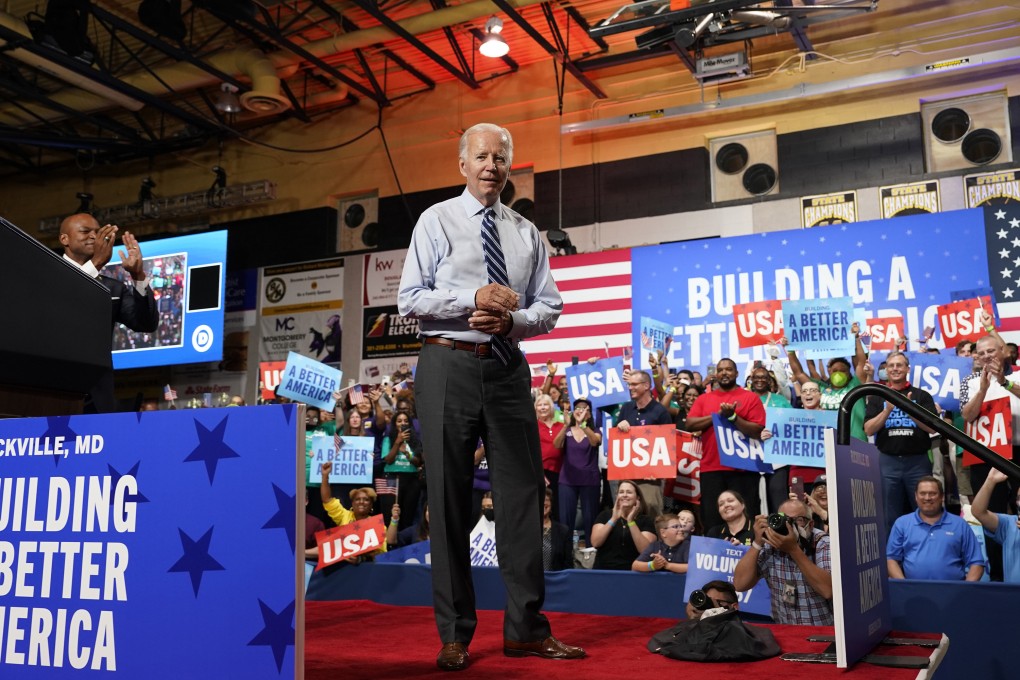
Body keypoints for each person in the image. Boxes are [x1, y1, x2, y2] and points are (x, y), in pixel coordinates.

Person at [397, 122, 582, 671]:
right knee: (449, 501)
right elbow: (410, 299)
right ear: (463, 164)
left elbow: (549, 306)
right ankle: (455, 634)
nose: (490, 166)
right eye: (481, 157)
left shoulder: (527, 233)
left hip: (506, 367)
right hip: (446, 365)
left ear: (509, 166)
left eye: (500, 158)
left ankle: (527, 630)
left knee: (522, 498)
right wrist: (470, 298)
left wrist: (512, 322)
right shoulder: (435, 220)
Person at [59, 213, 158, 412]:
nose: (93, 237)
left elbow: (146, 323)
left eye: (97, 232)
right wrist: (96, 263)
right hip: (53, 390)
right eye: (85, 231)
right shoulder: (47, 273)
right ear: (64, 239)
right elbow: (61, 303)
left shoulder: (113, 288)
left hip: (98, 397)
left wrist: (138, 275)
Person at [683, 358, 766, 531]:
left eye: (729, 369)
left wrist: (734, 418)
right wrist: (718, 416)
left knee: (748, 516)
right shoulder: (704, 399)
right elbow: (690, 424)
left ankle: (749, 547)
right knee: (712, 518)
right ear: (716, 374)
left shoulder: (750, 398)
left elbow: (758, 430)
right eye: (720, 370)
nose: (724, 373)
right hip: (712, 467)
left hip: (744, 468)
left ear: (736, 373)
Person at [864, 351, 939, 531]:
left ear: (907, 369)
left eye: (899, 365)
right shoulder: (877, 396)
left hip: (918, 462)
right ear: (886, 370)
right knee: (889, 515)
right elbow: (868, 429)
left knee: (926, 511)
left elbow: (932, 428)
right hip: (888, 462)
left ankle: (926, 547)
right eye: (891, 366)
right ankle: (893, 550)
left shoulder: (922, 396)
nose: (895, 369)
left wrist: (911, 410)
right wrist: (887, 410)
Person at [732, 498, 833, 625]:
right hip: (786, 629)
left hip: (823, 631)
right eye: (785, 519)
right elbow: (740, 584)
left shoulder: (822, 543)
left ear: (811, 524)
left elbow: (828, 591)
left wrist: (793, 549)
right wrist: (757, 542)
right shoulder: (771, 545)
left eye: (797, 520)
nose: (789, 525)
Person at [886, 477, 984, 581]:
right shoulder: (902, 524)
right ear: (916, 496)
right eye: (922, 493)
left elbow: (977, 563)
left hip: (953, 590)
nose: (927, 498)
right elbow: (891, 560)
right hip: (913, 590)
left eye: (932, 493)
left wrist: (965, 589)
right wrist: (904, 587)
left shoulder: (960, 525)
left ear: (942, 497)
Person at [617, 369, 673, 518]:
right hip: (628, 475)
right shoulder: (626, 408)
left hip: (651, 479)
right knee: (626, 515)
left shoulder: (660, 411)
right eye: (629, 384)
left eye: (634, 384)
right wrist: (619, 427)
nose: (630, 388)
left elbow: (668, 445)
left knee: (652, 515)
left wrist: (659, 471)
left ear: (647, 385)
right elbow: (617, 441)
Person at [318, 461, 389, 562]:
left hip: (365, 567)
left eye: (366, 500)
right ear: (352, 503)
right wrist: (325, 476)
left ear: (371, 505)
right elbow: (327, 500)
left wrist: (361, 558)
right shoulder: (344, 515)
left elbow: (381, 554)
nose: (361, 502)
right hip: (341, 565)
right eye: (357, 499)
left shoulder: (378, 526)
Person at [554, 398, 601, 544]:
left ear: (589, 413)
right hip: (567, 479)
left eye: (584, 408)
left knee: (590, 518)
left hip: (589, 479)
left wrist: (583, 425)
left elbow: (595, 442)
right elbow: (556, 444)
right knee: (566, 519)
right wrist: (565, 425)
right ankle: (565, 553)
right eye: (578, 408)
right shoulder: (567, 430)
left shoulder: (595, 430)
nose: (581, 410)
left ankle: (590, 551)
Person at [590, 480, 657, 570]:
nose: (624, 495)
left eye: (629, 492)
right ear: (617, 496)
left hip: (632, 572)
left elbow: (644, 550)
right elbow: (595, 542)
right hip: (603, 570)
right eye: (621, 492)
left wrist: (631, 521)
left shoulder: (646, 520)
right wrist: (613, 519)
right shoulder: (604, 515)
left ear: (638, 497)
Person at [971, 467, 1020, 583]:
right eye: (1018, 498)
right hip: (1011, 593)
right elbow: (978, 511)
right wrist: (990, 481)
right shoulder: (1010, 523)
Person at [535, 394, 565, 517]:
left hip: (560, 472)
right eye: (539, 405)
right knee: (543, 505)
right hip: (541, 472)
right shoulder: (533, 426)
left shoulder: (561, 425)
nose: (543, 407)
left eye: (545, 404)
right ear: (535, 408)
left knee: (557, 506)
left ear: (551, 407)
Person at [541, 489, 573, 571]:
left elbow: (568, 563)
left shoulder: (563, 530)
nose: (543, 503)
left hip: (556, 577)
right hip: (533, 577)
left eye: (546, 500)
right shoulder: (527, 530)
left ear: (551, 504)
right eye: (540, 500)